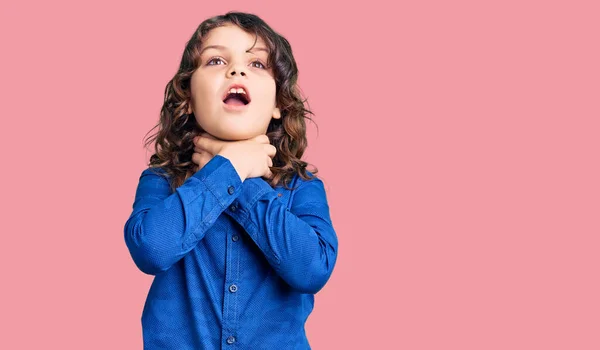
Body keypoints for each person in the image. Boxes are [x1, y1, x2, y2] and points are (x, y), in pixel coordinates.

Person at [123, 11, 338, 349]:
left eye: (256, 64)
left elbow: (311, 269)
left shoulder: (303, 187)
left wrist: (243, 177)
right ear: (189, 100)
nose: (236, 70)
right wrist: (229, 167)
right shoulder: (160, 180)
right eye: (216, 60)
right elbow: (151, 249)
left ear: (278, 105)